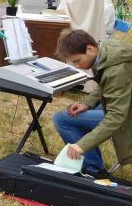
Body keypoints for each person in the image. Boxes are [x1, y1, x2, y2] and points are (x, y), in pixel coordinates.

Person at [53, 29, 132, 176]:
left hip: (126, 116)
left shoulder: (117, 69)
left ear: (90, 48)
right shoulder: (106, 50)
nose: (77, 66)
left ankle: (94, 170)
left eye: (77, 61)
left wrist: (81, 145)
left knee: (62, 119)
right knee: (67, 116)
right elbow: (107, 84)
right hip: (125, 103)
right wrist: (88, 103)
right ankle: (94, 166)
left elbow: (116, 116)